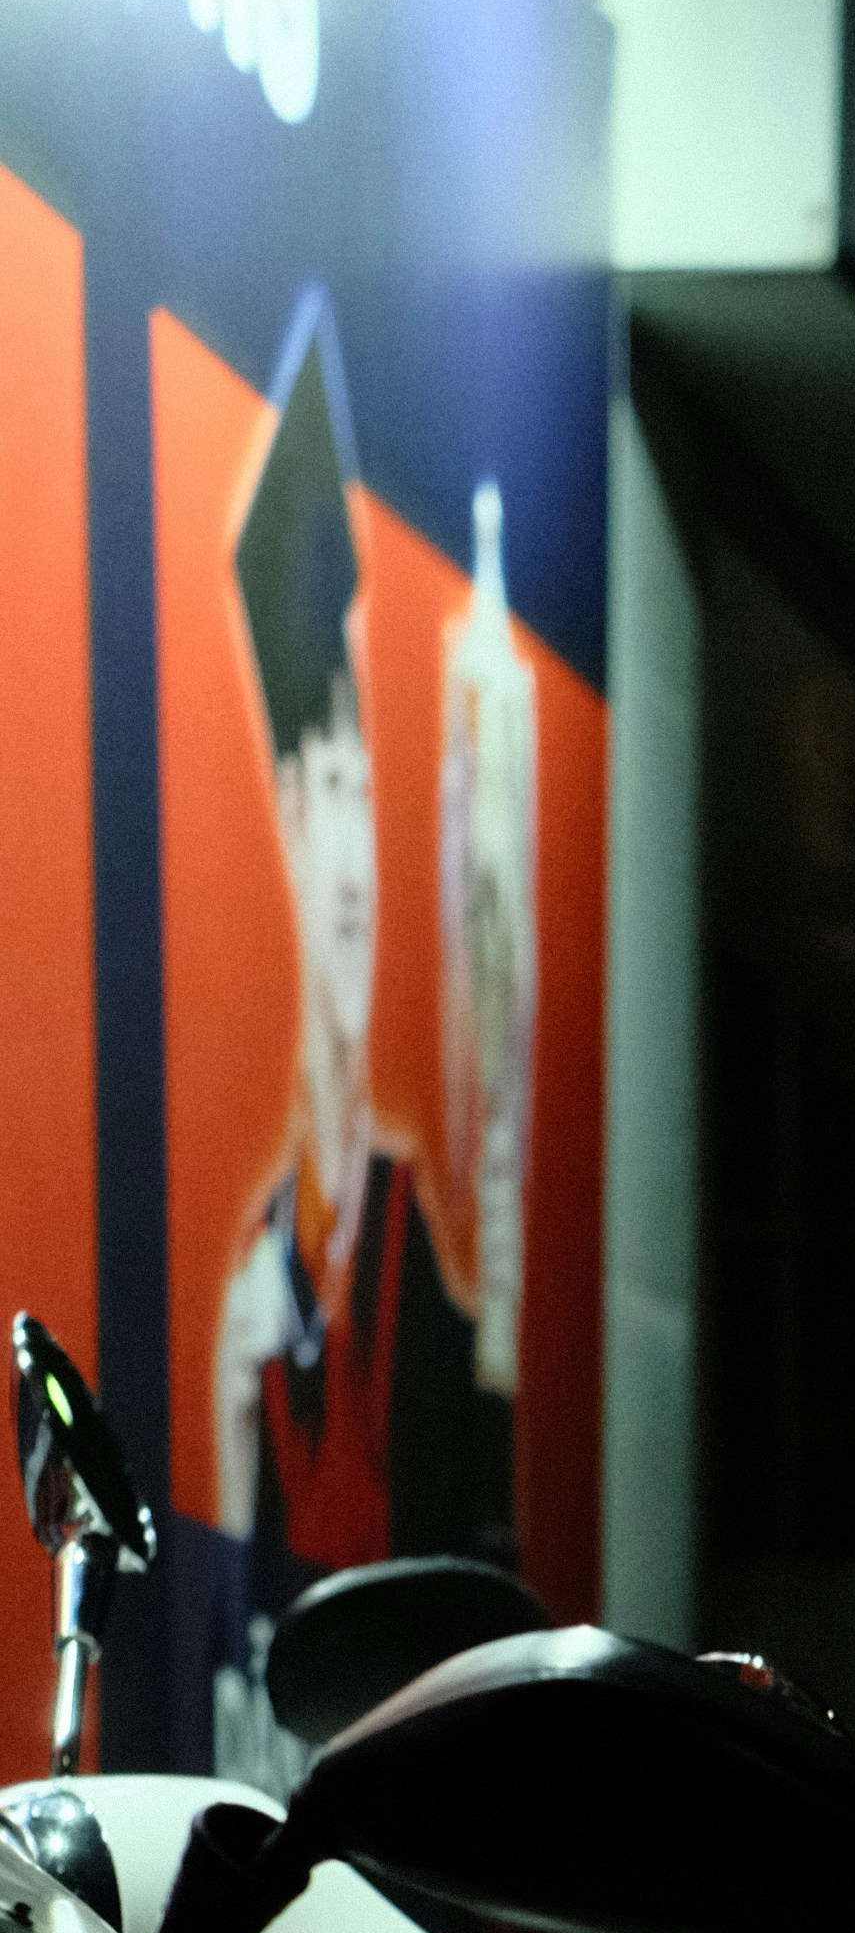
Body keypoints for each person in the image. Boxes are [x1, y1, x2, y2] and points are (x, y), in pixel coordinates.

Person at [208, 306, 507, 1625]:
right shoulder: (258, 1279)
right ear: (285, 813)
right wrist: (233, 1426)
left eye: (366, 800)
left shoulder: (411, 1266)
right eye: (326, 791)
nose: (351, 869)